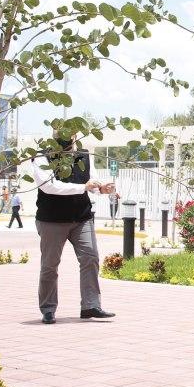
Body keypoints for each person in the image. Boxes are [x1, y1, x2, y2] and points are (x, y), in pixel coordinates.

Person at [33, 133, 115, 325]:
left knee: (90, 257)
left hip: (81, 217)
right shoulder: (42, 156)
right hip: (51, 219)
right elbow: (49, 187)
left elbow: (91, 182)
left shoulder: (84, 155)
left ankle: (90, 305)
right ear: (53, 133)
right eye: (60, 131)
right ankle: (48, 309)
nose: (65, 136)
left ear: (76, 135)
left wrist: (101, 188)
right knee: (49, 266)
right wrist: (83, 187)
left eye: (70, 132)